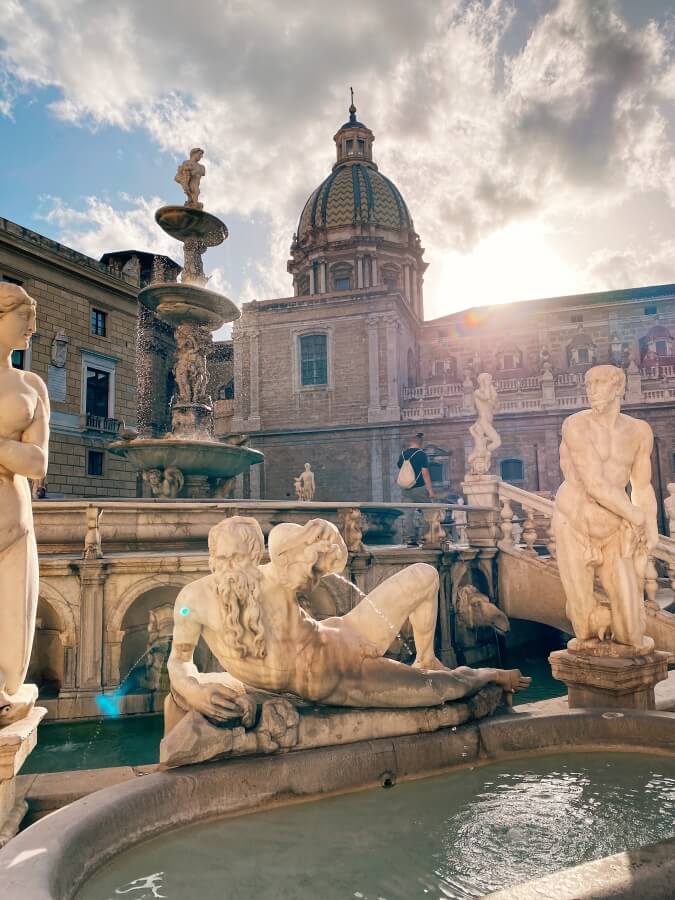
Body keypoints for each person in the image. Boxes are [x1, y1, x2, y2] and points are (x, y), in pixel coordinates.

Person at [166, 516, 530, 726]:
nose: (229, 569)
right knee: (439, 690)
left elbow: (328, 559)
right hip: (336, 677)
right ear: (211, 557)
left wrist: (320, 533)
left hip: (343, 634)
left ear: (254, 556)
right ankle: (489, 675)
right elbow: (179, 659)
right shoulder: (191, 602)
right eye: (222, 559)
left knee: (425, 575)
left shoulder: (275, 573)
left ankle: (426, 657)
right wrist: (194, 690)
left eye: (239, 559)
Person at [552, 365, 658, 652]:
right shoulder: (576, 425)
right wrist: (636, 516)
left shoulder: (639, 431)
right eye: (588, 384)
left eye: (600, 382)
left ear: (618, 387)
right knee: (585, 630)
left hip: (614, 524)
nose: (592, 389)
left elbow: (642, 486)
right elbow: (594, 483)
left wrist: (651, 525)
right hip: (575, 523)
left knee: (632, 633)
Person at [0, 284, 50, 724]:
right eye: (24, 318)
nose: (33, 328)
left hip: (14, 520)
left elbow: (37, 462)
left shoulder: (32, 385)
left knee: (9, 654)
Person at [397, 433, 435, 545]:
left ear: (410, 442)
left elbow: (401, 469)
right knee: (427, 512)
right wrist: (430, 490)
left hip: (406, 489)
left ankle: (411, 540)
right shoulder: (421, 454)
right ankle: (426, 537)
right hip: (420, 488)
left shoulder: (403, 454)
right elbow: (425, 473)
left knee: (409, 514)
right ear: (420, 442)